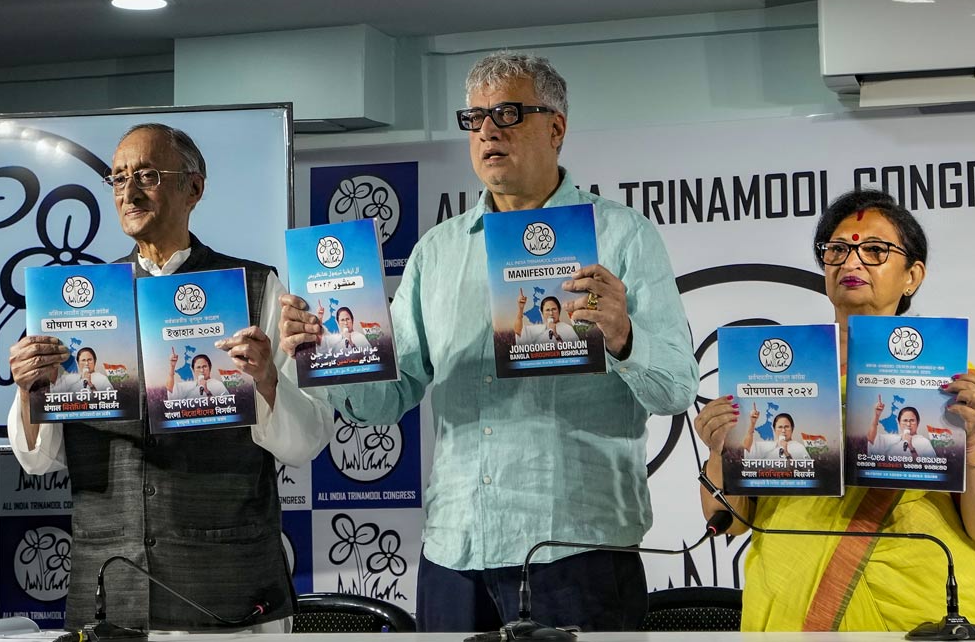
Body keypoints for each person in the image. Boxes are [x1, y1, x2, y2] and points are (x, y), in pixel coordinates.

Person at [275, 51, 698, 632]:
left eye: (507, 113)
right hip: (455, 547)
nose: (488, 131)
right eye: (474, 119)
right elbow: (384, 402)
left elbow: (677, 388)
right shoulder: (437, 252)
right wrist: (332, 355)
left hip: (577, 548)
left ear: (557, 127)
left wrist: (623, 337)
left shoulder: (621, 236)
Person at [5, 123, 325, 632]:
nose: (128, 192)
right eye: (117, 179)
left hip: (229, 591)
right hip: (112, 591)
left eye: (148, 176)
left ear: (193, 189)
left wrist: (267, 381)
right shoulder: (75, 301)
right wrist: (28, 392)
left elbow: (305, 441)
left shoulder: (255, 290)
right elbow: (39, 459)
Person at [694, 189, 975, 631]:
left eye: (875, 251)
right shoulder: (776, 375)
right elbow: (726, 524)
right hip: (791, 608)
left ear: (912, 276)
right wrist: (718, 448)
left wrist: (973, 437)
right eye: (838, 250)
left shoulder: (950, 383)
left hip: (916, 614)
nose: (851, 262)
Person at [867, 400, 935, 459]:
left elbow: (929, 466)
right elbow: (871, 439)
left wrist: (911, 447)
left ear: (918, 422)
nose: (908, 424)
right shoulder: (892, 439)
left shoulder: (924, 442)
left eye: (912, 420)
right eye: (905, 420)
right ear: (899, 423)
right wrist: (877, 415)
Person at [741, 406, 811, 461]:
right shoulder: (769, 446)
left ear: (792, 428)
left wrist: (786, 452)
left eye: (786, 427)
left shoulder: (799, 448)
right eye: (780, 427)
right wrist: (753, 423)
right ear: (774, 429)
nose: (783, 430)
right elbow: (748, 447)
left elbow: (806, 472)